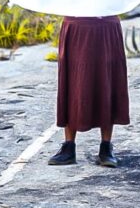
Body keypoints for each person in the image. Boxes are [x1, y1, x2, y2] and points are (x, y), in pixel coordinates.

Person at [48, 16, 130, 167]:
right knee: (73, 82)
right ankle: (68, 147)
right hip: (76, 23)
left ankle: (106, 148)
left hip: (106, 23)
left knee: (107, 81)